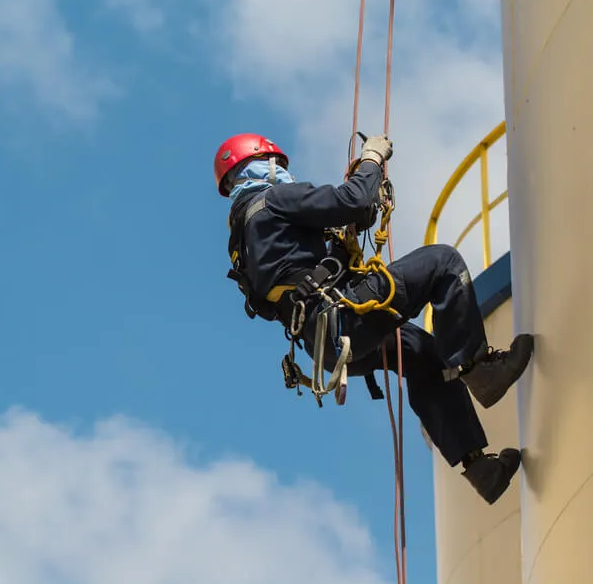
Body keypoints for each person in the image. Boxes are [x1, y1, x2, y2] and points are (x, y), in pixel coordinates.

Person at [214, 132, 534, 505]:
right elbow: (353, 200)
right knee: (442, 263)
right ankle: (480, 369)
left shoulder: (242, 240)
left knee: (420, 354)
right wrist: (371, 160)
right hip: (342, 318)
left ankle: (480, 469)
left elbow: (318, 247)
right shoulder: (274, 199)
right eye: (278, 167)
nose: (284, 173)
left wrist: (346, 231)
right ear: (262, 166)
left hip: (327, 345)